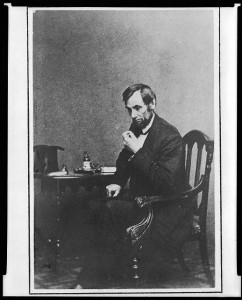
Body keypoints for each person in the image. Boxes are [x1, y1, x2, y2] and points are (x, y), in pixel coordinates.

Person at [76, 83, 195, 288]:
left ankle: (90, 282)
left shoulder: (170, 136)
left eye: (138, 108)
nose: (133, 115)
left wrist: (139, 151)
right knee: (94, 205)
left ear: (152, 104)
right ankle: (103, 275)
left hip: (166, 208)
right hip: (142, 200)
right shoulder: (137, 126)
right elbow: (124, 159)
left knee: (108, 209)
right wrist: (117, 181)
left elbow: (167, 184)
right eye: (129, 109)